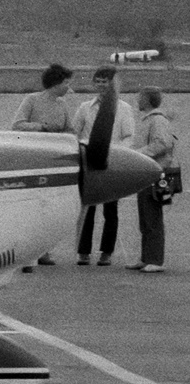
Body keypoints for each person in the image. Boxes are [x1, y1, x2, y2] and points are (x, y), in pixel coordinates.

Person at [72, 66, 135, 266]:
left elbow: (129, 136)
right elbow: (75, 132)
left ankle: (106, 252)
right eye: (98, 81)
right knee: (87, 209)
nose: (101, 85)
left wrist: (115, 153)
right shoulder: (85, 107)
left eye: (105, 81)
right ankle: (83, 252)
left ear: (112, 83)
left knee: (111, 210)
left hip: (111, 162)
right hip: (89, 162)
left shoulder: (123, 108)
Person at [13, 64, 74, 269]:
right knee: (32, 208)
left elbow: (69, 129)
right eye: (66, 82)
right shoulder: (31, 100)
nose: (68, 87)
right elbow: (18, 125)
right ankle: (28, 256)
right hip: (33, 162)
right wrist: (42, 128)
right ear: (56, 83)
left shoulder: (63, 104)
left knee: (50, 209)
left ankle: (44, 251)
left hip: (55, 163)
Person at [129, 87, 175, 273]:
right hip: (146, 172)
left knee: (152, 216)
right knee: (145, 217)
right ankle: (146, 257)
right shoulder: (150, 119)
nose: (137, 100)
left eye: (140, 97)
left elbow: (162, 143)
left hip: (155, 172)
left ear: (147, 100)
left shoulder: (157, 120)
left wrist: (137, 155)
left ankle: (156, 259)